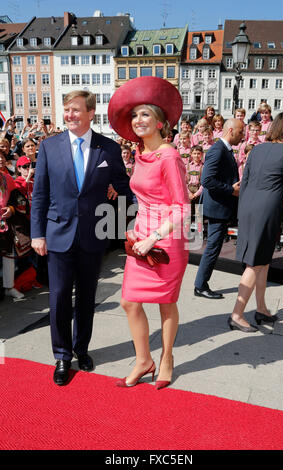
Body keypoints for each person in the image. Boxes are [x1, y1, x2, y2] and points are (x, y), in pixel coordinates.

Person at [31, 90, 132, 386]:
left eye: (76, 110)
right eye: (67, 110)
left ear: (91, 113)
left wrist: (125, 221)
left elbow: (125, 188)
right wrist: (37, 233)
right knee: (60, 297)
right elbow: (39, 195)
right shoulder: (49, 147)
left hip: (93, 236)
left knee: (87, 298)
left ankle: (81, 349)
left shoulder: (109, 149)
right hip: (57, 234)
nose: (70, 115)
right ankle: (62, 356)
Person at [108, 76, 189, 390]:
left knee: (165, 303)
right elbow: (145, 197)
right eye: (135, 115)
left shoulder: (169, 157)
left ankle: (166, 357)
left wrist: (153, 236)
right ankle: (144, 359)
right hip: (140, 234)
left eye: (145, 114)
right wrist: (136, 227)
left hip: (165, 239)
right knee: (129, 302)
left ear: (160, 123)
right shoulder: (140, 155)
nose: (138, 120)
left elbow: (182, 208)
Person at [230, 111, 283, 332]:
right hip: (267, 208)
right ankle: (237, 314)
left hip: (248, 206)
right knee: (256, 262)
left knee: (263, 260)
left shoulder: (257, 149)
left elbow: (245, 180)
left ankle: (261, 309)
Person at [194, 118, 243, 299]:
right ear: (230, 130)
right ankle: (200, 286)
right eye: (240, 132)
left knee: (214, 246)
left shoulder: (224, 149)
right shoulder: (218, 150)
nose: (243, 135)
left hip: (220, 207)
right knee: (213, 246)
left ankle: (201, 283)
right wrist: (231, 190)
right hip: (217, 208)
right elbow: (206, 180)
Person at [0, 150, 24, 299]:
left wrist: (11, 209)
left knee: (8, 255)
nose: (0, 160)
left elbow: (16, 199)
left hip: (4, 224)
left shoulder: (7, 178)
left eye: (1, 157)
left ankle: (9, 287)